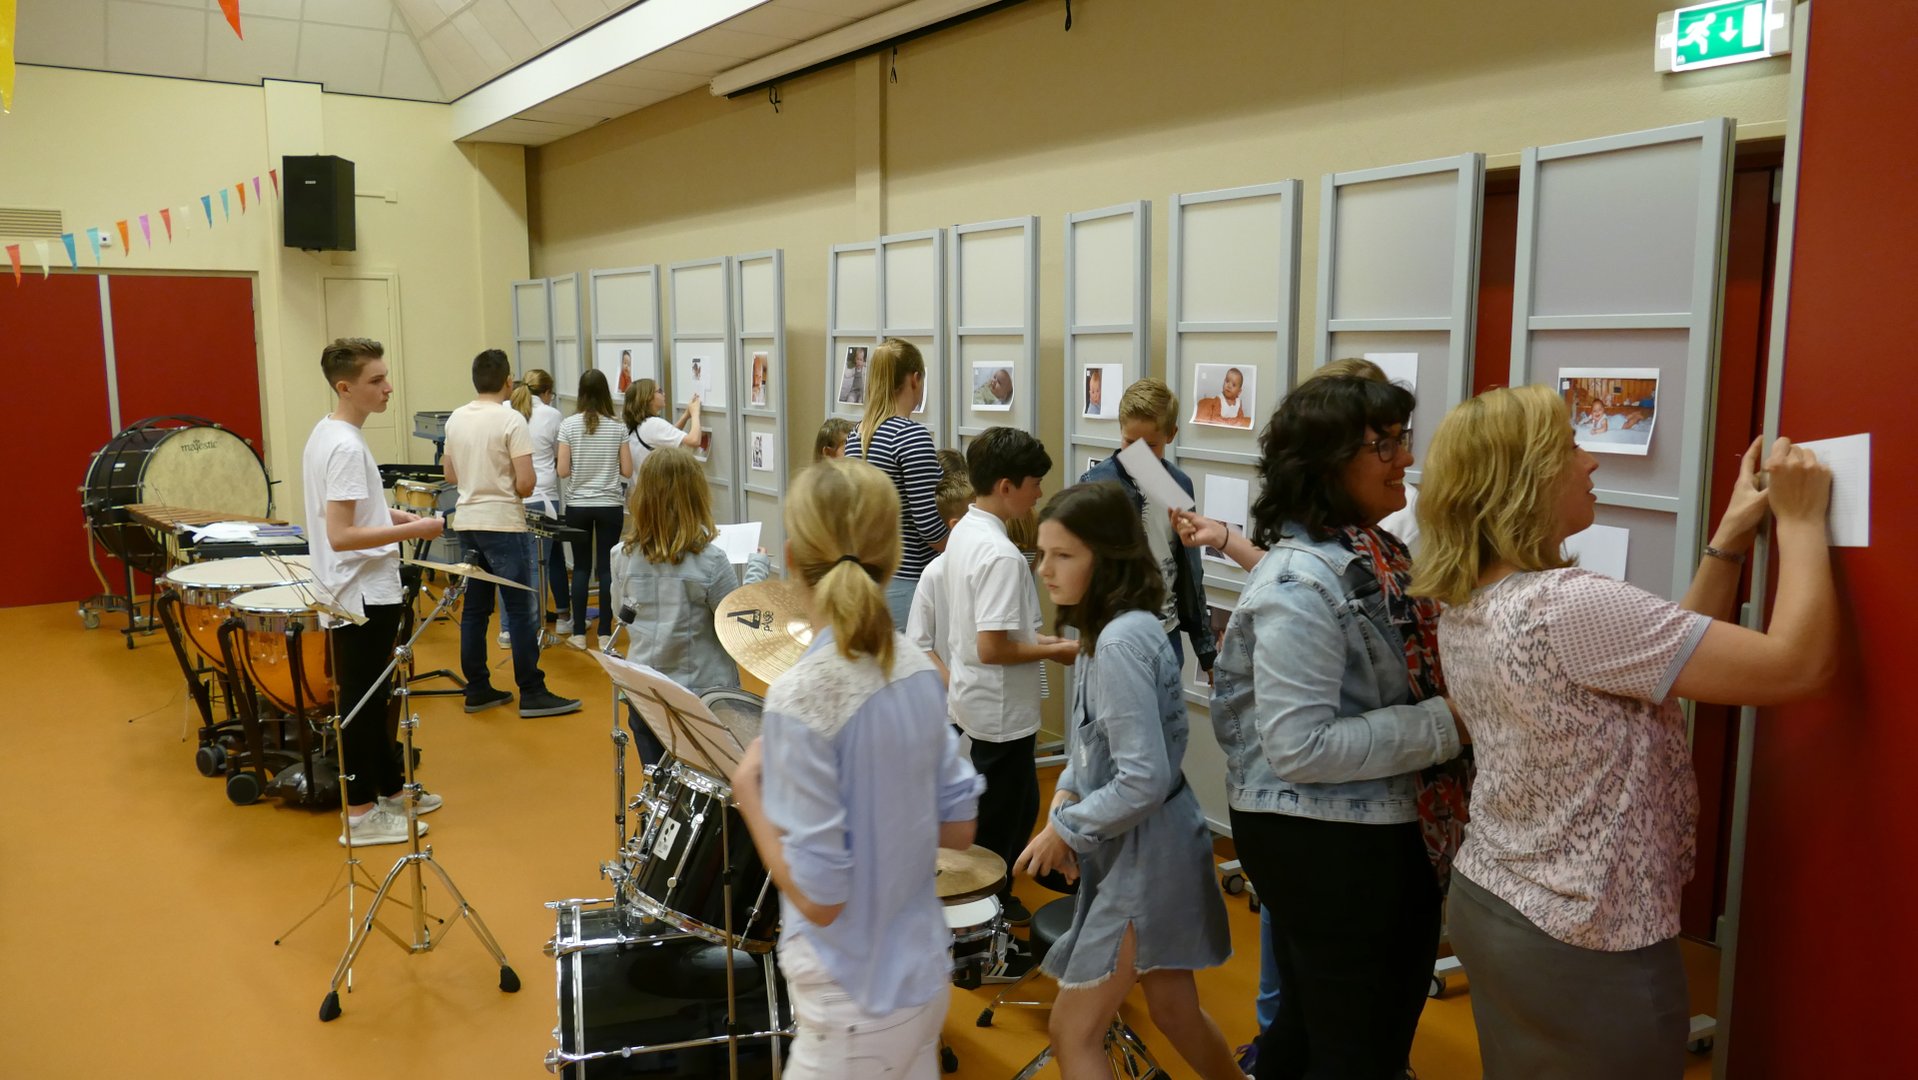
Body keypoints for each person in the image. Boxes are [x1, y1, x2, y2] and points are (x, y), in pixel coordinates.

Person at [1411, 387, 1837, 1080]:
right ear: (1525, 479)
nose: (1590, 463)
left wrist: (1729, 540)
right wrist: (1803, 520)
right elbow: (1799, 665)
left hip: (1496, 901)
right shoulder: (1568, 604)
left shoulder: (1470, 598)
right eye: (1569, 448)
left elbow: (1663, 667)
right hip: (1582, 936)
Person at [1203, 374, 1468, 1079]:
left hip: (1354, 827)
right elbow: (1300, 747)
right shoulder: (1302, 583)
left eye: (1402, 439)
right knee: (1361, 1044)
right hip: (1329, 840)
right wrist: (1450, 722)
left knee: (1314, 1027)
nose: (1405, 458)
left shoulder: (1372, 554)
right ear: (1325, 462)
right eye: (1383, 445)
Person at [729, 457, 985, 1080]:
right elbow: (958, 832)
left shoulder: (800, 697)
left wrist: (749, 796)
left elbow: (821, 900)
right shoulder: (919, 669)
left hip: (849, 1000)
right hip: (923, 977)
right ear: (893, 557)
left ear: (792, 557)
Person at [1016, 482, 1245, 1080]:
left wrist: (1065, 829)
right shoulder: (1117, 627)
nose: (1045, 570)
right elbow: (1094, 743)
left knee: (1074, 1031)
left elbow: (1142, 778)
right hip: (1153, 842)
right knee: (1174, 1010)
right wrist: (1068, 791)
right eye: (1042, 554)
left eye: (1062, 555)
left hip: (1148, 857)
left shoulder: (1118, 641)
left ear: (1106, 557)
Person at [928, 426, 1078, 926]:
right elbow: (992, 647)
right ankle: (985, 916)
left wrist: (1048, 644)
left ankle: (992, 902)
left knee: (1017, 806)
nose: (1040, 492)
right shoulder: (1000, 555)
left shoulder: (965, 531)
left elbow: (994, 635)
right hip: (999, 710)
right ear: (1007, 486)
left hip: (975, 700)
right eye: (1034, 483)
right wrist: (1059, 652)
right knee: (1000, 824)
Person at [303, 338, 445, 845]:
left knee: (374, 695)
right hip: (360, 592)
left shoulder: (329, 432)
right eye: (376, 381)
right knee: (363, 703)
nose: (388, 388)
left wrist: (396, 515)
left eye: (385, 377)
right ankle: (361, 814)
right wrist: (417, 530)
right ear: (345, 387)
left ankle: (389, 790)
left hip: (354, 588)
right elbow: (341, 535)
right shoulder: (344, 446)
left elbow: (350, 513)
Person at [442, 349, 580, 718]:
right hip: (502, 521)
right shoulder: (511, 419)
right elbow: (526, 483)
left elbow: (450, 475)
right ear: (507, 381)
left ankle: (477, 688)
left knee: (475, 610)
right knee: (520, 608)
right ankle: (532, 690)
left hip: (467, 521)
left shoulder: (456, 419)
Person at [611, 446, 769, 763]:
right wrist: (758, 567)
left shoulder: (620, 556)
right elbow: (738, 623)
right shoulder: (710, 560)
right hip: (702, 699)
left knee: (657, 781)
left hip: (646, 694)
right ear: (695, 496)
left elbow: (621, 615)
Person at [1080, 377, 1216, 673]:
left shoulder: (1178, 484)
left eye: (1150, 445)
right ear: (1120, 430)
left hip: (1166, 636)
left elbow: (1191, 570)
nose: (1138, 454)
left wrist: (1206, 649)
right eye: (1130, 442)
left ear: (1171, 434)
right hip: (1113, 637)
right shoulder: (1097, 485)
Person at [844, 339, 950, 625]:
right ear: (915, 379)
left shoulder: (856, 436)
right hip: (909, 581)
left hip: (867, 577)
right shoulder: (911, 436)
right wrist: (961, 547)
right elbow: (929, 525)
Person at [558, 368, 630, 654]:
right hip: (610, 505)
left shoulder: (568, 425)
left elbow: (563, 470)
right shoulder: (617, 427)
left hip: (577, 505)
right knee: (606, 569)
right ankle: (604, 634)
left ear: (581, 393)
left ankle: (578, 633)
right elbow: (627, 470)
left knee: (581, 568)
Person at [905, 450, 975, 684]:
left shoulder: (1001, 561)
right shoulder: (935, 573)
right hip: (951, 693)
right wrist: (955, 687)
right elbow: (919, 643)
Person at [509, 367, 569, 638]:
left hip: (516, 495)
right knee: (540, 563)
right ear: (546, 392)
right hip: (544, 496)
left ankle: (561, 614)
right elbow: (559, 456)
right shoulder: (552, 414)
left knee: (546, 558)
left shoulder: (507, 409)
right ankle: (534, 627)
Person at [620, 377, 701, 479]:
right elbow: (694, 441)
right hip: (655, 487)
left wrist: (685, 416)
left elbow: (668, 435)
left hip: (640, 486)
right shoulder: (653, 424)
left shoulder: (639, 424)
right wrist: (695, 413)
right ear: (648, 398)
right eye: (660, 391)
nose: (664, 394)